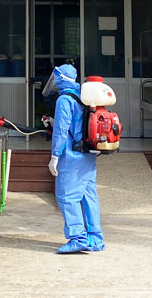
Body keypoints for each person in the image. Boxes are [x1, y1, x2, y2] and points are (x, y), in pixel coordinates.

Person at [46, 64, 104, 253]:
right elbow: (77, 123)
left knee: (66, 196)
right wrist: (53, 123)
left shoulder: (64, 100)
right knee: (88, 197)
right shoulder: (84, 96)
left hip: (71, 156)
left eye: (56, 77)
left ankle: (78, 237)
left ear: (61, 79)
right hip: (87, 155)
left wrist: (54, 156)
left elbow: (62, 131)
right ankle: (95, 239)